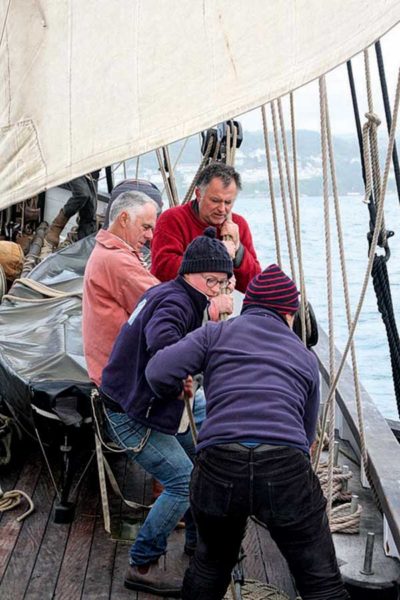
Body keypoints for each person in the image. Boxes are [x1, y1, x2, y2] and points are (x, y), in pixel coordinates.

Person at [146, 264, 350, 600]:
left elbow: (157, 372)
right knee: (322, 582)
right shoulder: (303, 355)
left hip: (220, 463)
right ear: (289, 314)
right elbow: (307, 435)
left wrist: (180, 382)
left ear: (249, 305)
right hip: (284, 467)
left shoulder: (216, 334)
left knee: (211, 564)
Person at [99, 228, 234, 596]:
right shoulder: (177, 304)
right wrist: (180, 374)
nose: (218, 291)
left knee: (202, 460)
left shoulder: (170, 291)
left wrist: (184, 373)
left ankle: (197, 541)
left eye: (223, 284)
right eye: (212, 282)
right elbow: (162, 348)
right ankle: (141, 564)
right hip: (131, 414)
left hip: (135, 397)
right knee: (183, 481)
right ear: (191, 274)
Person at [82, 191, 159, 387]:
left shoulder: (106, 252)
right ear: (124, 218)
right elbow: (165, 306)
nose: (150, 236)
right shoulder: (117, 261)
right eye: (146, 227)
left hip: (111, 375)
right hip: (126, 384)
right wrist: (210, 307)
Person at [150, 162, 261, 292]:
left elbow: (255, 284)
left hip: (219, 306)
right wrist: (216, 255)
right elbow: (163, 270)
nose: (222, 209)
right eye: (215, 200)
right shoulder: (172, 219)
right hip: (178, 302)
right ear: (198, 194)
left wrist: (238, 249)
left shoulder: (237, 225)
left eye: (228, 202)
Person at [45, 172, 99, 249]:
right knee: (82, 194)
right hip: (74, 164)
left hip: (93, 171)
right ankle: (56, 227)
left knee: (90, 211)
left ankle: (83, 247)